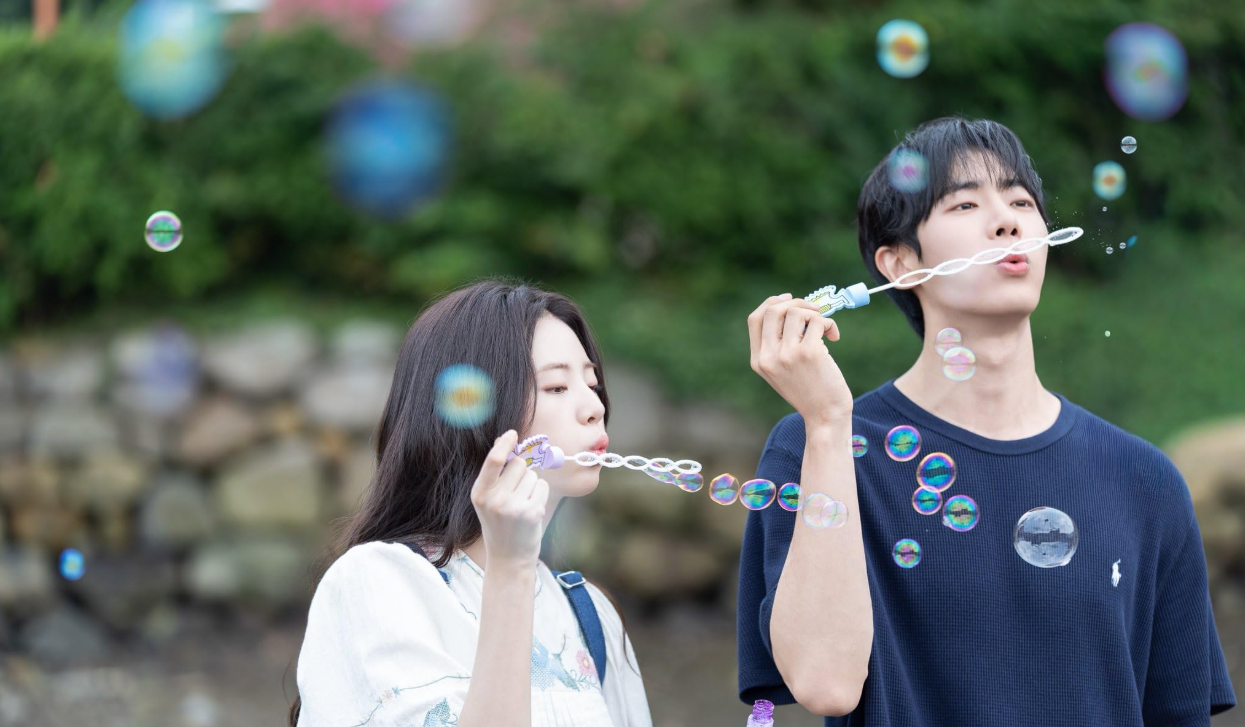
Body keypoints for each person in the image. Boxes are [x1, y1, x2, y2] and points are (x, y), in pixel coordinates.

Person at [736, 117, 1237, 726]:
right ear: (899, 263)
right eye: (965, 203)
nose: (1007, 221)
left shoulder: (1144, 479)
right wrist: (825, 423)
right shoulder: (823, 445)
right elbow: (825, 685)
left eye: (1021, 202)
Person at [289, 279, 652, 727]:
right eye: (557, 387)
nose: (594, 406)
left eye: (592, 383)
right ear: (475, 413)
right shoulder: (376, 584)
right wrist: (510, 569)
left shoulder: (590, 614)